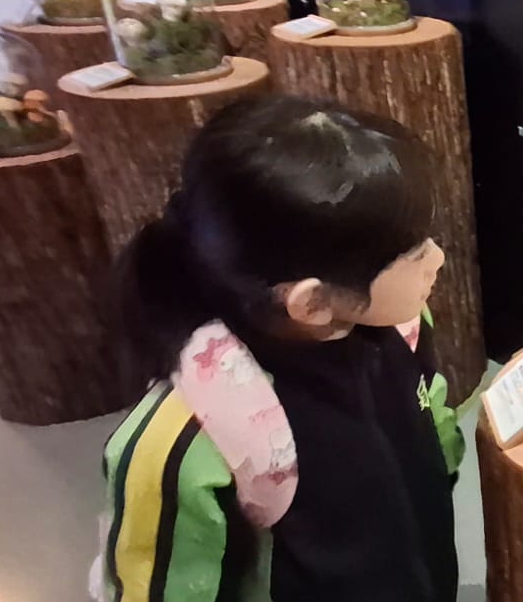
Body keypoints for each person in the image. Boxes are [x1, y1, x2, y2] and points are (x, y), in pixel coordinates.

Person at [91, 96, 460, 602]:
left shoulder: (401, 326)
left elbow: (433, 426)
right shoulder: (189, 440)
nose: (438, 258)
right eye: (414, 253)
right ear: (312, 303)